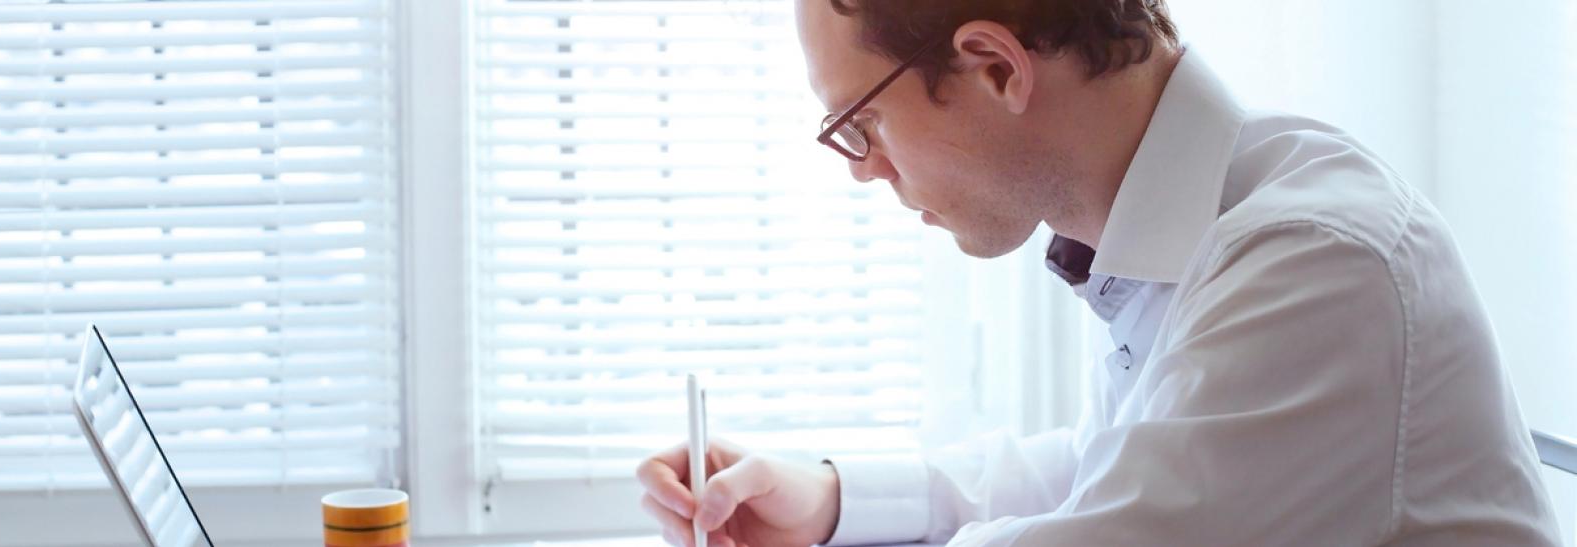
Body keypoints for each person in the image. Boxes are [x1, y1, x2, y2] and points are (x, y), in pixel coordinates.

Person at [636, 0, 1563, 545]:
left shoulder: (1316, 265)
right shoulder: (1200, 230)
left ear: (996, 66)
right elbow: (1099, 470)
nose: (864, 168)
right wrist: (831, 500)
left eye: (860, 125)